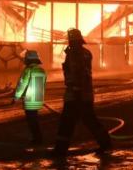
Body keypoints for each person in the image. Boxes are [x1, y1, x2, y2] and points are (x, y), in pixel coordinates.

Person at [52, 28, 112, 156]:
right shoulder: (86, 52)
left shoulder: (74, 54)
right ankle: (106, 143)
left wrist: (76, 91)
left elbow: (76, 73)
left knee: (67, 122)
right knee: (89, 119)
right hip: (86, 93)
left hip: (75, 94)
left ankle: (60, 150)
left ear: (71, 41)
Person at [13, 50, 46, 145]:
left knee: (32, 120)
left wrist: (16, 97)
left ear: (28, 60)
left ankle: (37, 139)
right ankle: (38, 138)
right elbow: (42, 85)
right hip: (38, 99)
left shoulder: (28, 70)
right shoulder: (42, 70)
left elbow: (22, 84)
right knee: (34, 119)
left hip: (29, 99)